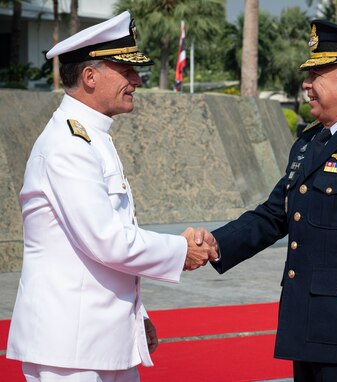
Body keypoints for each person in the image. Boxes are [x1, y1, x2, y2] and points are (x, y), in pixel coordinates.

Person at [6, 11, 217, 382]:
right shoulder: (68, 146)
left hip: (99, 342)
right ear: (90, 76)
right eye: (126, 70)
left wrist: (139, 318)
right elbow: (109, 241)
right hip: (70, 351)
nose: (136, 79)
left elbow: (100, 252)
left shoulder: (91, 138)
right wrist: (182, 250)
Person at [206, 20, 337, 382]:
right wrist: (216, 243)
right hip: (306, 329)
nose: (306, 84)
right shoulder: (308, 144)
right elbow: (275, 214)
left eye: (316, 74)